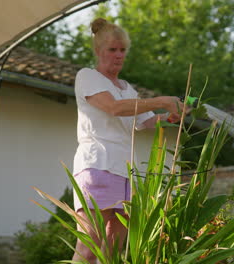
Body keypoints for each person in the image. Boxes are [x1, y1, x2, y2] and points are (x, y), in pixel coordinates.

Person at [72, 18, 185, 263]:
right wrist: (162, 100)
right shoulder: (88, 77)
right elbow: (114, 108)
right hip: (97, 166)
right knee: (89, 248)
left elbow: (144, 122)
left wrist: (170, 116)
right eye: (112, 49)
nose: (118, 55)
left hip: (126, 172)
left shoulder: (126, 88)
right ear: (98, 50)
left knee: (112, 251)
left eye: (122, 50)